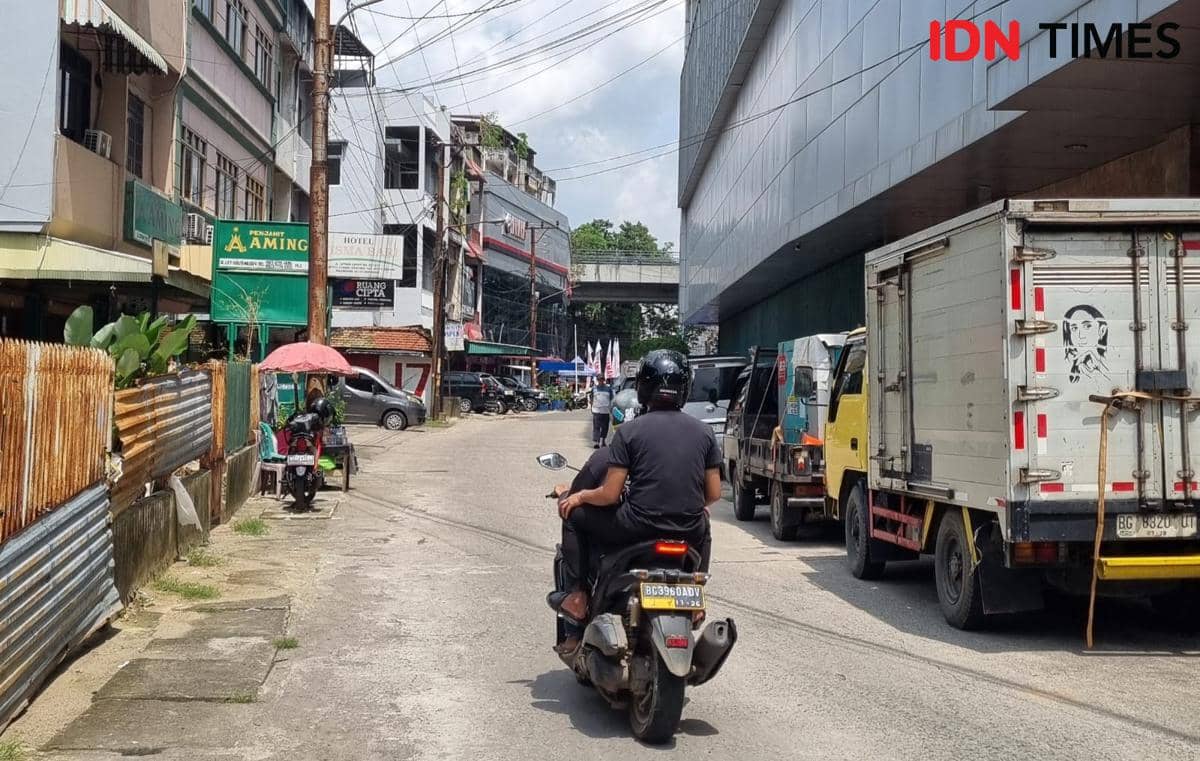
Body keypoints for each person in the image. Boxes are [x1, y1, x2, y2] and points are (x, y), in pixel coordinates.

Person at [555, 350, 723, 637]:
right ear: (684, 389)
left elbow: (610, 494)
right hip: (688, 530)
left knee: (573, 515)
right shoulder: (704, 432)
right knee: (704, 524)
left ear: (643, 387)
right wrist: (695, 506)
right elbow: (715, 493)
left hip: (636, 527)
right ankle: (695, 597)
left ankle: (578, 595)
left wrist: (579, 497)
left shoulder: (629, 432)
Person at [590, 378, 614, 448]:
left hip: (606, 411)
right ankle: (597, 442)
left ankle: (603, 441)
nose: (601, 381)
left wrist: (611, 409)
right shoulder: (594, 389)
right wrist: (591, 408)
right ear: (597, 380)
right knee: (596, 427)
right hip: (596, 410)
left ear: (604, 380)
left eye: (602, 379)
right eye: (599, 379)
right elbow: (591, 399)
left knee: (605, 427)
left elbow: (611, 399)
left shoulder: (608, 389)